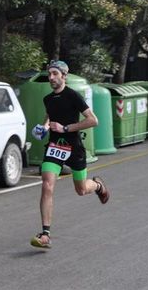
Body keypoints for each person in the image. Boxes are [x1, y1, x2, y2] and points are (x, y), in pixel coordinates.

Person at [30, 60, 109, 249]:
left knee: (81, 190)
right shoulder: (48, 99)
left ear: (64, 76)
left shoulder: (73, 96)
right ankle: (45, 234)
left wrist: (66, 128)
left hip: (74, 147)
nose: (51, 78)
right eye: (50, 74)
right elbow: (49, 117)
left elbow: (93, 120)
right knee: (47, 185)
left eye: (55, 74)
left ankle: (98, 185)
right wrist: (44, 127)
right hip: (55, 146)